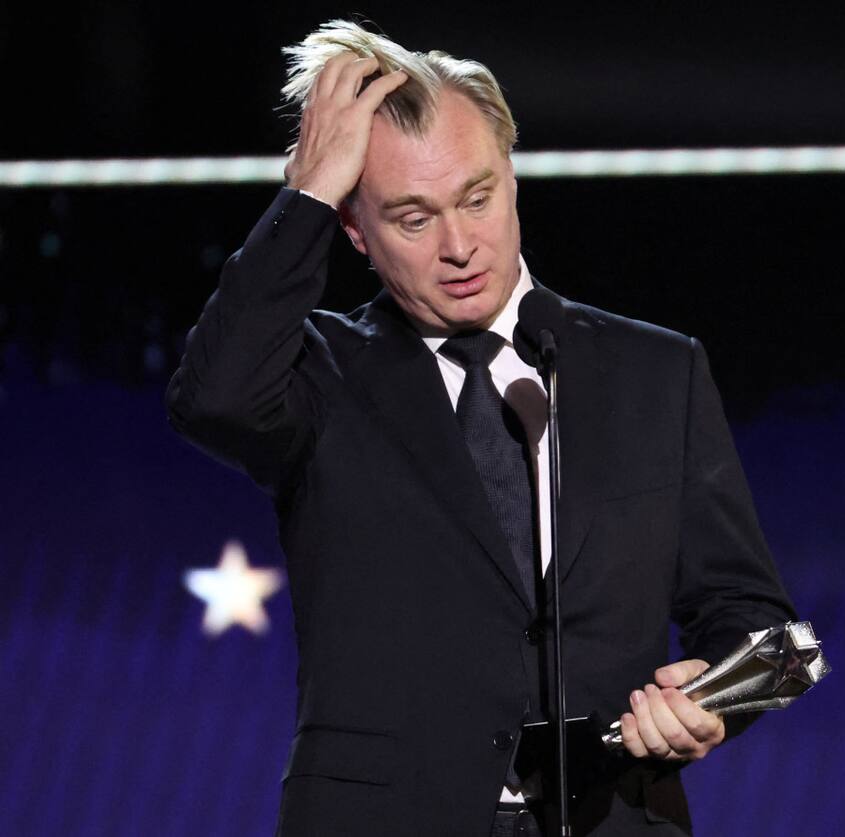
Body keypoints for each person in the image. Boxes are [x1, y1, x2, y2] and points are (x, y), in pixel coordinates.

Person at [167, 19, 796, 837]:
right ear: (355, 230)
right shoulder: (320, 375)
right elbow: (210, 397)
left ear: (512, 180)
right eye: (413, 218)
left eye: (477, 197)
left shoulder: (656, 371)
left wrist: (708, 701)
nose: (461, 246)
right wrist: (311, 190)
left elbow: (751, 618)